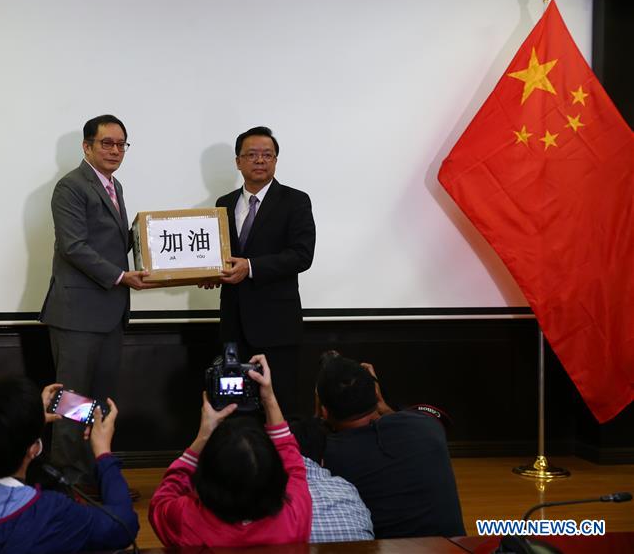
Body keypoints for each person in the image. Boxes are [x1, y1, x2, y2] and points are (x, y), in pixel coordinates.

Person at [39, 114, 149, 487]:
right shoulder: (71, 186)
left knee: (99, 402)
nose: (115, 150)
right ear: (87, 147)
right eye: (107, 143)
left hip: (109, 313)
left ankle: (94, 477)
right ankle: (68, 481)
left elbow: (112, 243)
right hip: (77, 315)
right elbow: (73, 246)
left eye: (121, 144)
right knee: (73, 402)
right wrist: (121, 276)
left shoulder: (114, 186)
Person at [0, 375, 139, 554]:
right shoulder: (48, 512)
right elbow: (124, 526)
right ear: (33, 449)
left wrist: (20, 422)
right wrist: (103, 453)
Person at [203, 126, 315, 416]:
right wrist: (209, 272)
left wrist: (250, 267)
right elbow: (219, 256)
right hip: (233, 325)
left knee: (279, 406)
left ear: (276, 160)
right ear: (238, 161)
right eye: (252, 154)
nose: (260, 160)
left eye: (267, 154)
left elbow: (302, 255)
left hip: (277, 326)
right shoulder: (224, 204)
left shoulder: (295, 201)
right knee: (235, 409)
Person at [148, 354, 311, 547]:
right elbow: (293, 463)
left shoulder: (187, 520)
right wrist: (269, 399)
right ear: (276, 477)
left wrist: (203, 437)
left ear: (206, 478)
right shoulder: (295, 516)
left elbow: (160, 502)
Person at [313, 351, 465, 538]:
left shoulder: (330, 458)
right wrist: (382, 404)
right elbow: (406, 420)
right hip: (453, 548)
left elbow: (312, 437)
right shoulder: (428, 427)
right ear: (376, 395)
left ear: (325, 412)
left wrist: (318, 414)